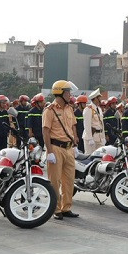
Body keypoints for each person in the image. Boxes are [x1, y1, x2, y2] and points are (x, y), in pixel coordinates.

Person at [43, 80, 80, 219]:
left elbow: (73, 125)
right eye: (68, 92)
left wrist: (75, 141)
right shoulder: (50, 110)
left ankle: (66, 207)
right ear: (60, 93)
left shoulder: (69, 108)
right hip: (56, 147)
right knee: (55, 181)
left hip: (69, 148)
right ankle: (56, 209)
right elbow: (45, 131)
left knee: (69, 180)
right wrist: (49, 151)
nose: (70, 94)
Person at [83, 88, 106, 154]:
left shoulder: (99, 109)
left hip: (100, 137)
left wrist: (103, 137)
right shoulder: (88, 109)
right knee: (90, 157)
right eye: (99, 97)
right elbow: (87, 125)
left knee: (100, 158)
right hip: (92, 137)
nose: (100, 99)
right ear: (96, 98)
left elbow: (102, 124)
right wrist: (90, 138)